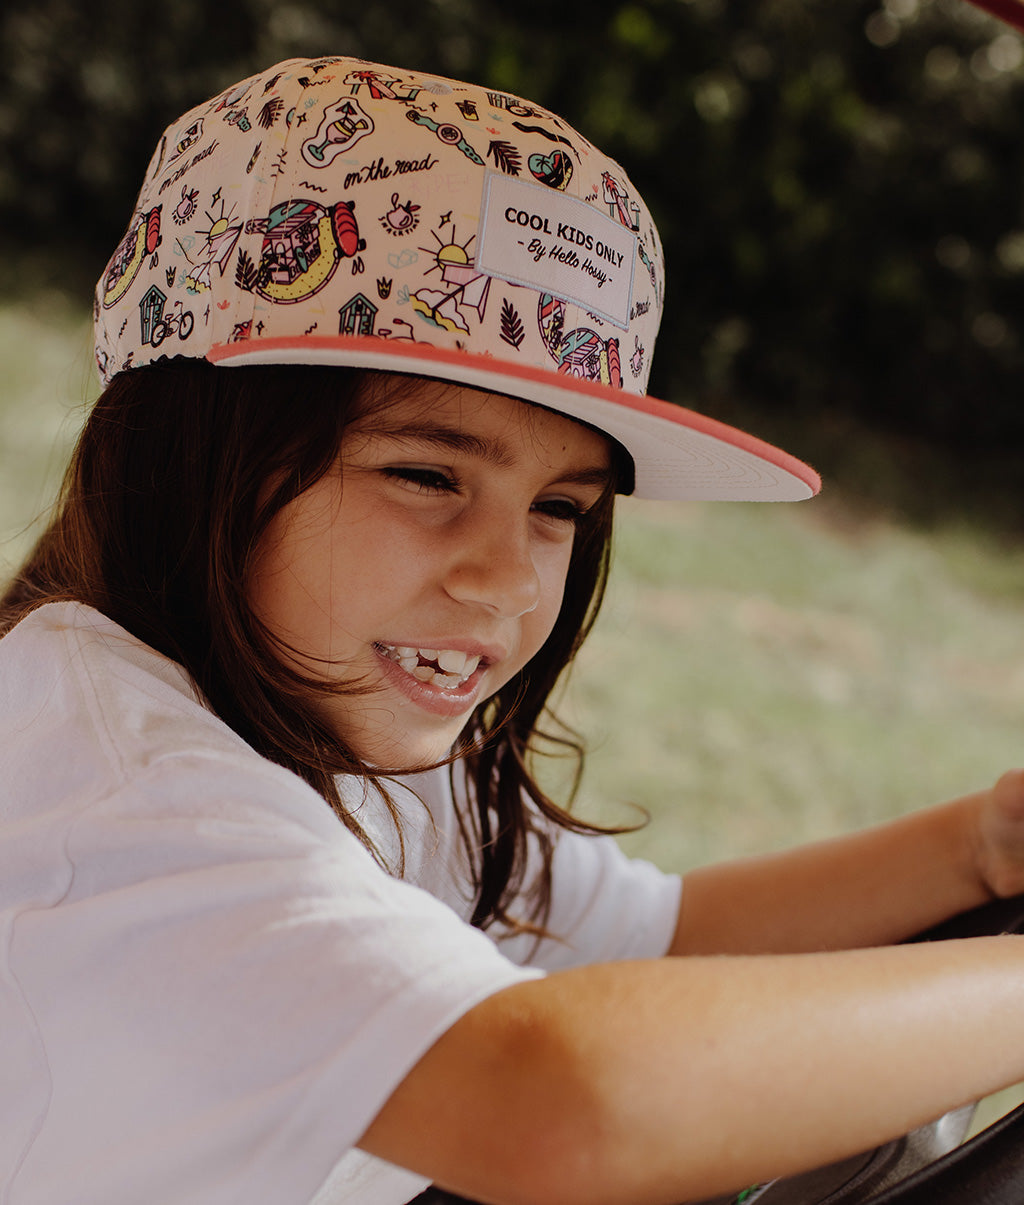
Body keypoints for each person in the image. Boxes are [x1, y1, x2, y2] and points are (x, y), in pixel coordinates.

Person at [1, 53, 1024, 1205]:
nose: (504, 581)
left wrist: (977, 847)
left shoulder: (336, 718)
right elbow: (557, 1103)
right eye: (426, 473)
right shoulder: (112, 793)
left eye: (558, 509)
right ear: (187, 456)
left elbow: (651, 937)